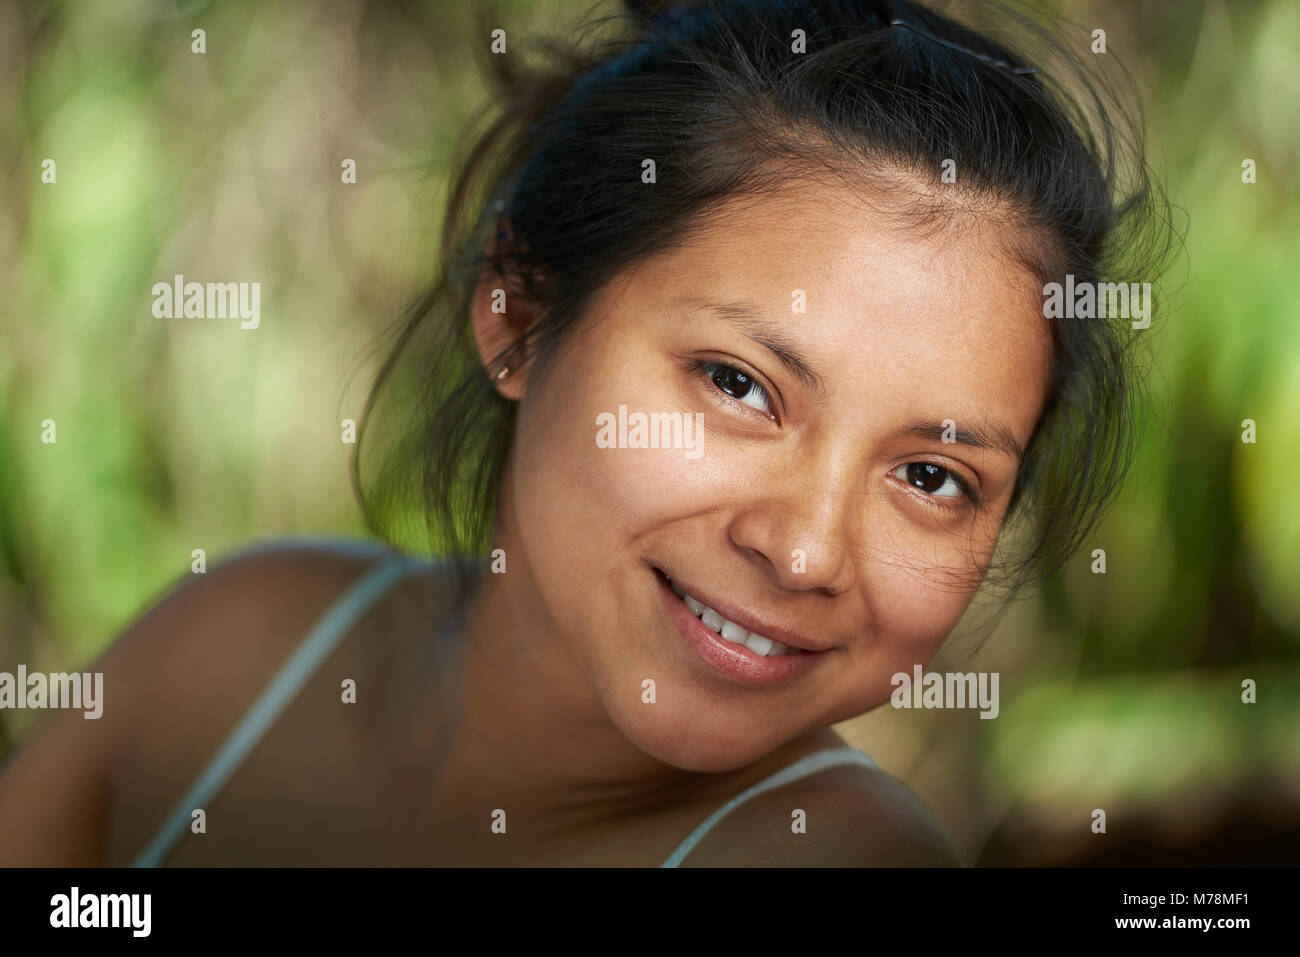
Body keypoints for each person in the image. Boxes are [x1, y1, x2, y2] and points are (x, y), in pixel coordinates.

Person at [0, 0, 1169, 866]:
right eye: (737, 384)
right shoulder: (239, 649)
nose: (806, 550)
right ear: (519, 317)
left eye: (931, 475)